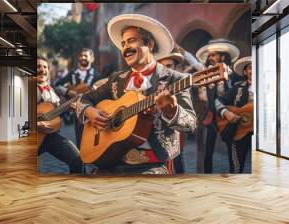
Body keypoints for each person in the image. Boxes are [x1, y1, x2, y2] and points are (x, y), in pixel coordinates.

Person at [76, 14, 196, 174]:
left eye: (132, 41)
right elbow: (84, 99)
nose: (125, 47)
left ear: (150, 44)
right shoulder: (116, 79)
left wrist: (172, 111)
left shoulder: (176, 79)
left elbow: (191, 124)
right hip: (110, 159)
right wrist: (90, 112)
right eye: (123, 43)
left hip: (153, 164)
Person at [195, 39, 240, 173]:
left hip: (227, 116)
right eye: (209, 55)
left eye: (213, 55)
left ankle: (235, 176)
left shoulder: (233, 76)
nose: (210, 58)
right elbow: (203, 96)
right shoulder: (206, 74)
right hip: (210, 117)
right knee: (207, 152)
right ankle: (208, 177)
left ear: (222, 57)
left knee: (232, 150)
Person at [37, 56, 82, 173]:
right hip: (33, 137)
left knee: (77, 160)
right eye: (38, 67)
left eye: (45, 67)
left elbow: (54, 112)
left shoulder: (52, 90)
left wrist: (69, 108)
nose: (42, 69)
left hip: (51, 136)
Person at [54, 48, 100, 145]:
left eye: (85, 56)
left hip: (92, 110)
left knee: (92, 138)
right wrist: (68, 91)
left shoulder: (97, 75)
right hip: (77, 111)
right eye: (81, 55)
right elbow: (57, 85)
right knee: (79, 138)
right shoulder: (72, 73)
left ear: (92, 59)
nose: (83, 57)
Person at [216, 56, 252, 173]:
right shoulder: (237, 87)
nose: (253, 70)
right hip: (240, 131)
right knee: (236, 168)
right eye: (250, 68)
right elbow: (218, 100)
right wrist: (226, 112)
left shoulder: (269, 87)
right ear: (246, 72)